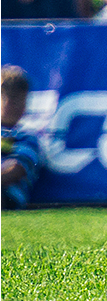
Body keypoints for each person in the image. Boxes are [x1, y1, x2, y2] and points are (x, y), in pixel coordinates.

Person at [1, 65, 44, 209]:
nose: (10, 105)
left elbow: (17, 169)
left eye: (17, 99)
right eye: (5, 97)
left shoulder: (27, 138)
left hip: (7, 198)